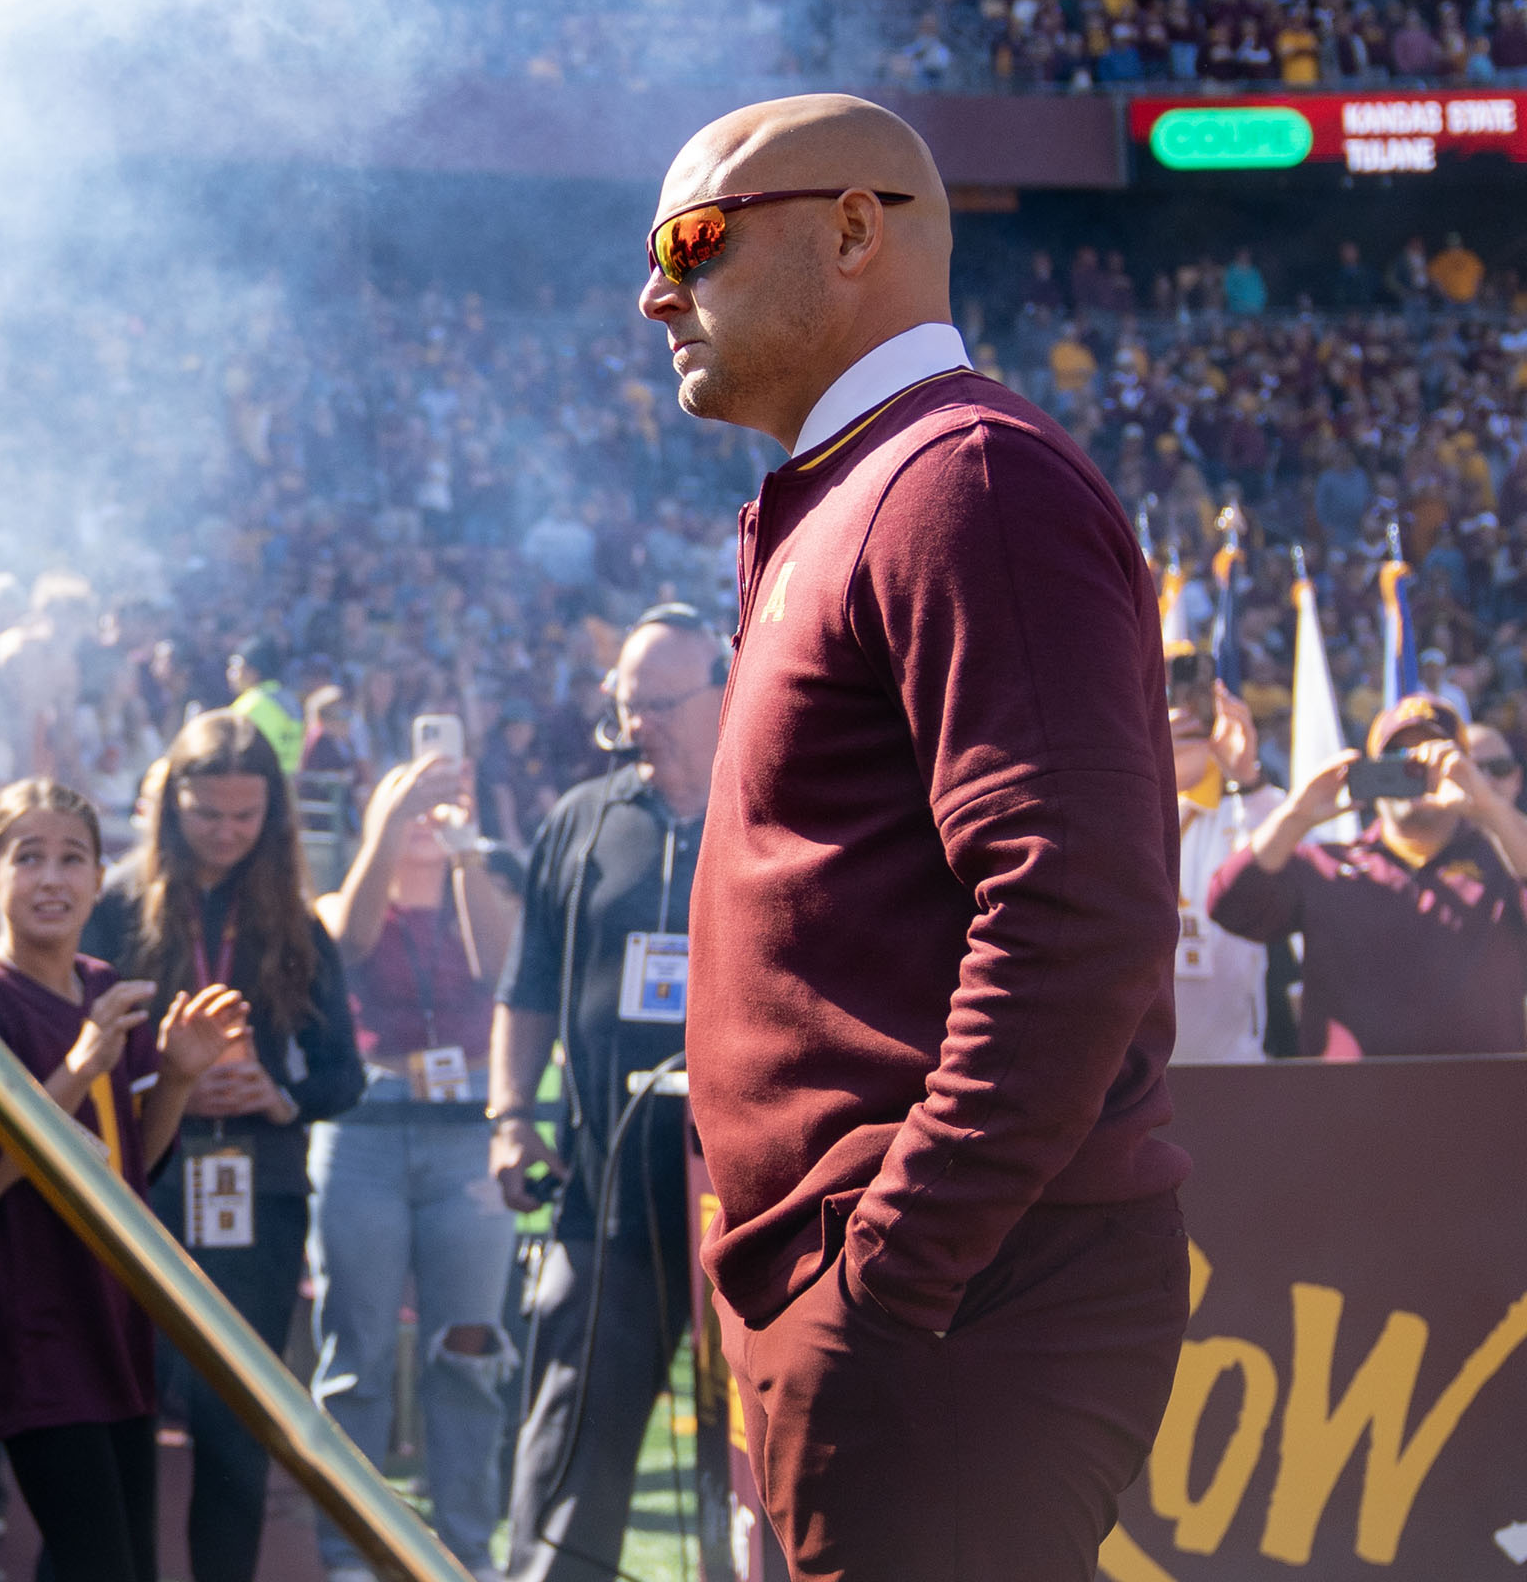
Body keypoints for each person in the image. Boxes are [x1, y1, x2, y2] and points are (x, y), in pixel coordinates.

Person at [643, 93, 1189, 1582]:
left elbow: (1076, 909)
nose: (655, 288)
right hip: (897, 1292)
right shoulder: (868, 485)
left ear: (852, 229)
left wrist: (892, 1270)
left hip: (948, 1301)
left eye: (693, 238)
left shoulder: (965, 479)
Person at [81, 711, 365, 1582]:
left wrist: (278, 1097)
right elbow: (74, 1050)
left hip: (260, 1194)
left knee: (237, 1427)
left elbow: (342, 1076)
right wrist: (159, 1081)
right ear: (170, 808)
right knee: (119, 1412)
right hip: (141, 1190)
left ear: (272, 817)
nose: (227, 834)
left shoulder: (293, 921)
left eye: (245, 818)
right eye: (207, 815)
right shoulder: (119, 908)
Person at [0, 780, 247, 1582]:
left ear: (99, 876)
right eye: (28, 857)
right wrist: (79, 1065)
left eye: (72, 858)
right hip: (34, 1320)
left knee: (116, 1566)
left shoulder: (102, 984)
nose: (52, 878)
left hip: (113, 1319)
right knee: (99, 1564)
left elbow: (130, 1164)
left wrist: (176, 1077)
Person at [491, 608, 723, 1582]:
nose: (637, 726)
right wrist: (509, 1118)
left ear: (725, 693)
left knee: (753, 1452)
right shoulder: (583, 820)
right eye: (625, 706)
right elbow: (527, 988)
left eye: (661, 705)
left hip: (747, 1203)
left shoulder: (778, 811)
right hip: (603, 1189)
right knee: (569, 1432)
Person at [308, 745, 521, 1579]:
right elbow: (346, 943)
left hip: (468, 1128)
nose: (426, 817)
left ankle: (467, 1551)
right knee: (353, 1351)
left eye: (443, 799)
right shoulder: (346, 894)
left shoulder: (485, 880)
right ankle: (349, 1552)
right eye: (410, 799)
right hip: (365, 1127)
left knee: (468, 1351)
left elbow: (498, 964)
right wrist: (390, 825)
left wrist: (466, 843)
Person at [1207, 694, 1527, 1056]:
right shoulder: (1328, 867)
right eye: (1396, 759)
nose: (1414, 771)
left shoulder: (1505, 861)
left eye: (1431, 758)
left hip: (1483, 1103)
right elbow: (1229, 904)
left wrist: (1489, 810)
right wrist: (1296, 814)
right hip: (1352, 1105)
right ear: (1373, 770)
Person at [1166, 647, 1286, 1063]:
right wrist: (1151, 779)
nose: (1186, 712)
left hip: (1235, 1069)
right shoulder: (1114, 805)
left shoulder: (1251, 803)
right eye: (1166, 697)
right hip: (1128, 1079)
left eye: (1198, 698)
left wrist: (1248, 778)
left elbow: (1289, 865)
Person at [226, 636, 306, 773]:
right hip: (288, 785)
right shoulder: (291, 701)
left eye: (236, 668)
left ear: (252, 672)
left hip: (256, 784)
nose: (230, 674)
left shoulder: (248, 705)